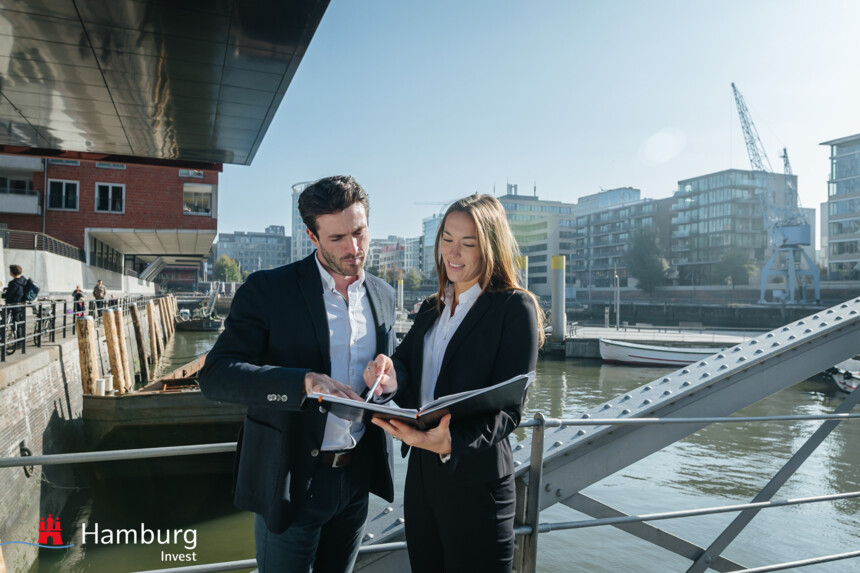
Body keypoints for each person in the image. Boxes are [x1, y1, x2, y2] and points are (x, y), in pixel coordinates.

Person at [199, 175, 396, 573]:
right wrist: (302, 382)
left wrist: (391, 382)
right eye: (337, 238)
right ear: (312, 236)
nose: (353, 248)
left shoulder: (384, 294)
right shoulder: (269, 289)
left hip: (357, 477)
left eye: (359, 232)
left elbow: (388, 377)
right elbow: (216, 375)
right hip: (290, 478)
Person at [363, 194, 543, 573]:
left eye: (468, 243)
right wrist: (389, 376)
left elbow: (510, 409)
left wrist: (452, 441)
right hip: (423, 479)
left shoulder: (514, 308)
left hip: (477, 483)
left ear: (489, 246)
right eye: (447, 238)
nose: (453, 252)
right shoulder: (432, 308)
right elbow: (408, 370)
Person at [3, 264, 28, 350]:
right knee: (20, 324)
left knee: (15, 324)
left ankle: (19, 343)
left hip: (14, 305)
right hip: (22, 305)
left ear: (11, 273)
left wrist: (3, 295)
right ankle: (21, 341)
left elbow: (9, 295)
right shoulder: (25, 281)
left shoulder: (12, 283)